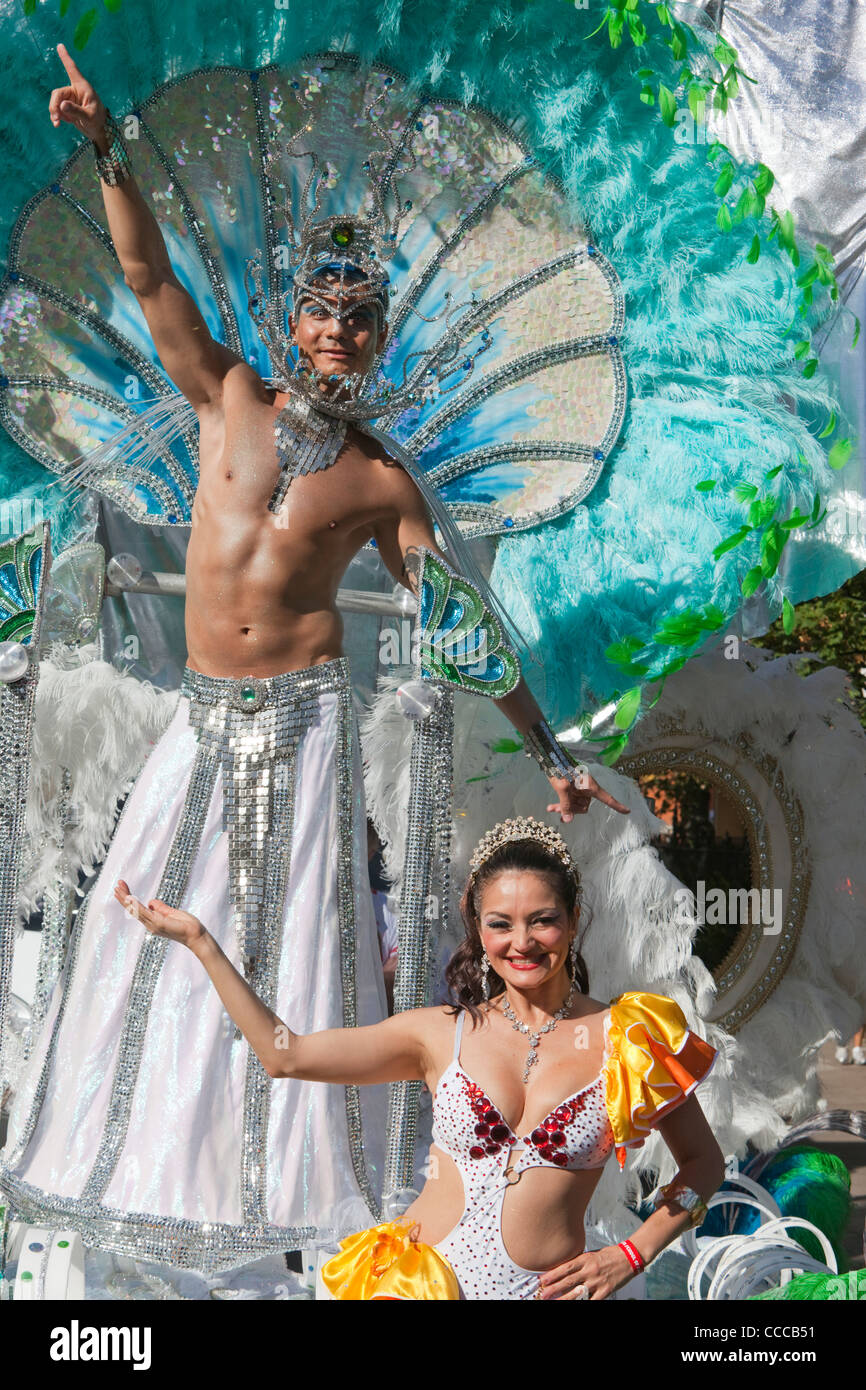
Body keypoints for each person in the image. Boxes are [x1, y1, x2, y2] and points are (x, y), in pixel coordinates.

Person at [0, 46, 630, 1273]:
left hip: (302, 728)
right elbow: (142, 270)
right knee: (146, 936)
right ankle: (136, 1171)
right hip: (199, 718)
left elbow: (457, 617)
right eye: (321, 314)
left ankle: (283, 1198)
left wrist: (546, 739)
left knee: (292, 948)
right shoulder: (224, 396)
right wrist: (107, 149)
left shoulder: (383, 479)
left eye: (358, 321)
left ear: (377, 340)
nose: (336, 334)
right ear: (289, 322)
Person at [113, 814, 724, 1299]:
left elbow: (703, 1166)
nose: (521, 942)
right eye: (500, 924)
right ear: (477, 931)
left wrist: (630, 1254)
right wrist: (201, 943)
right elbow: (287, 1055)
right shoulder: (439, 1033)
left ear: (573, 921)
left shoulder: (630, 1036)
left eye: (543, 921)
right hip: (421, 1287)